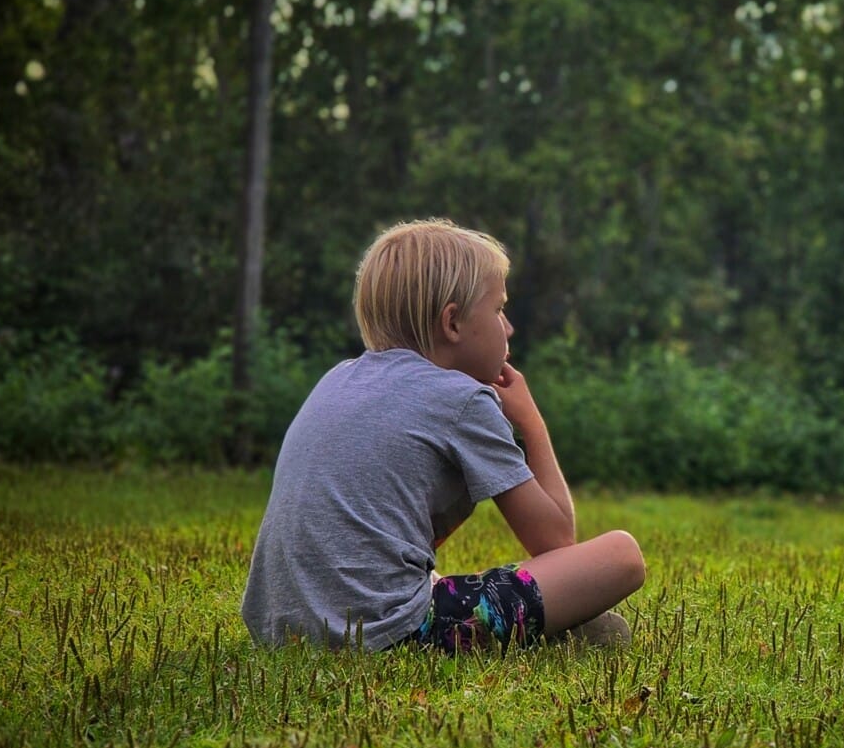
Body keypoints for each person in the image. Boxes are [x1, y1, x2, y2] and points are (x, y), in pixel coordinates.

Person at [241, 218, 644, 652]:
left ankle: (549, 628)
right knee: (621, 556)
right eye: (498, 310)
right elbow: (556, 540)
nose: (508, 328)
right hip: (387, 632)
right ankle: (549, 628)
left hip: (280, 629)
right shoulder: (462, 399)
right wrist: (531, 422)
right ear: (452, 323)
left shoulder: (339, 379)